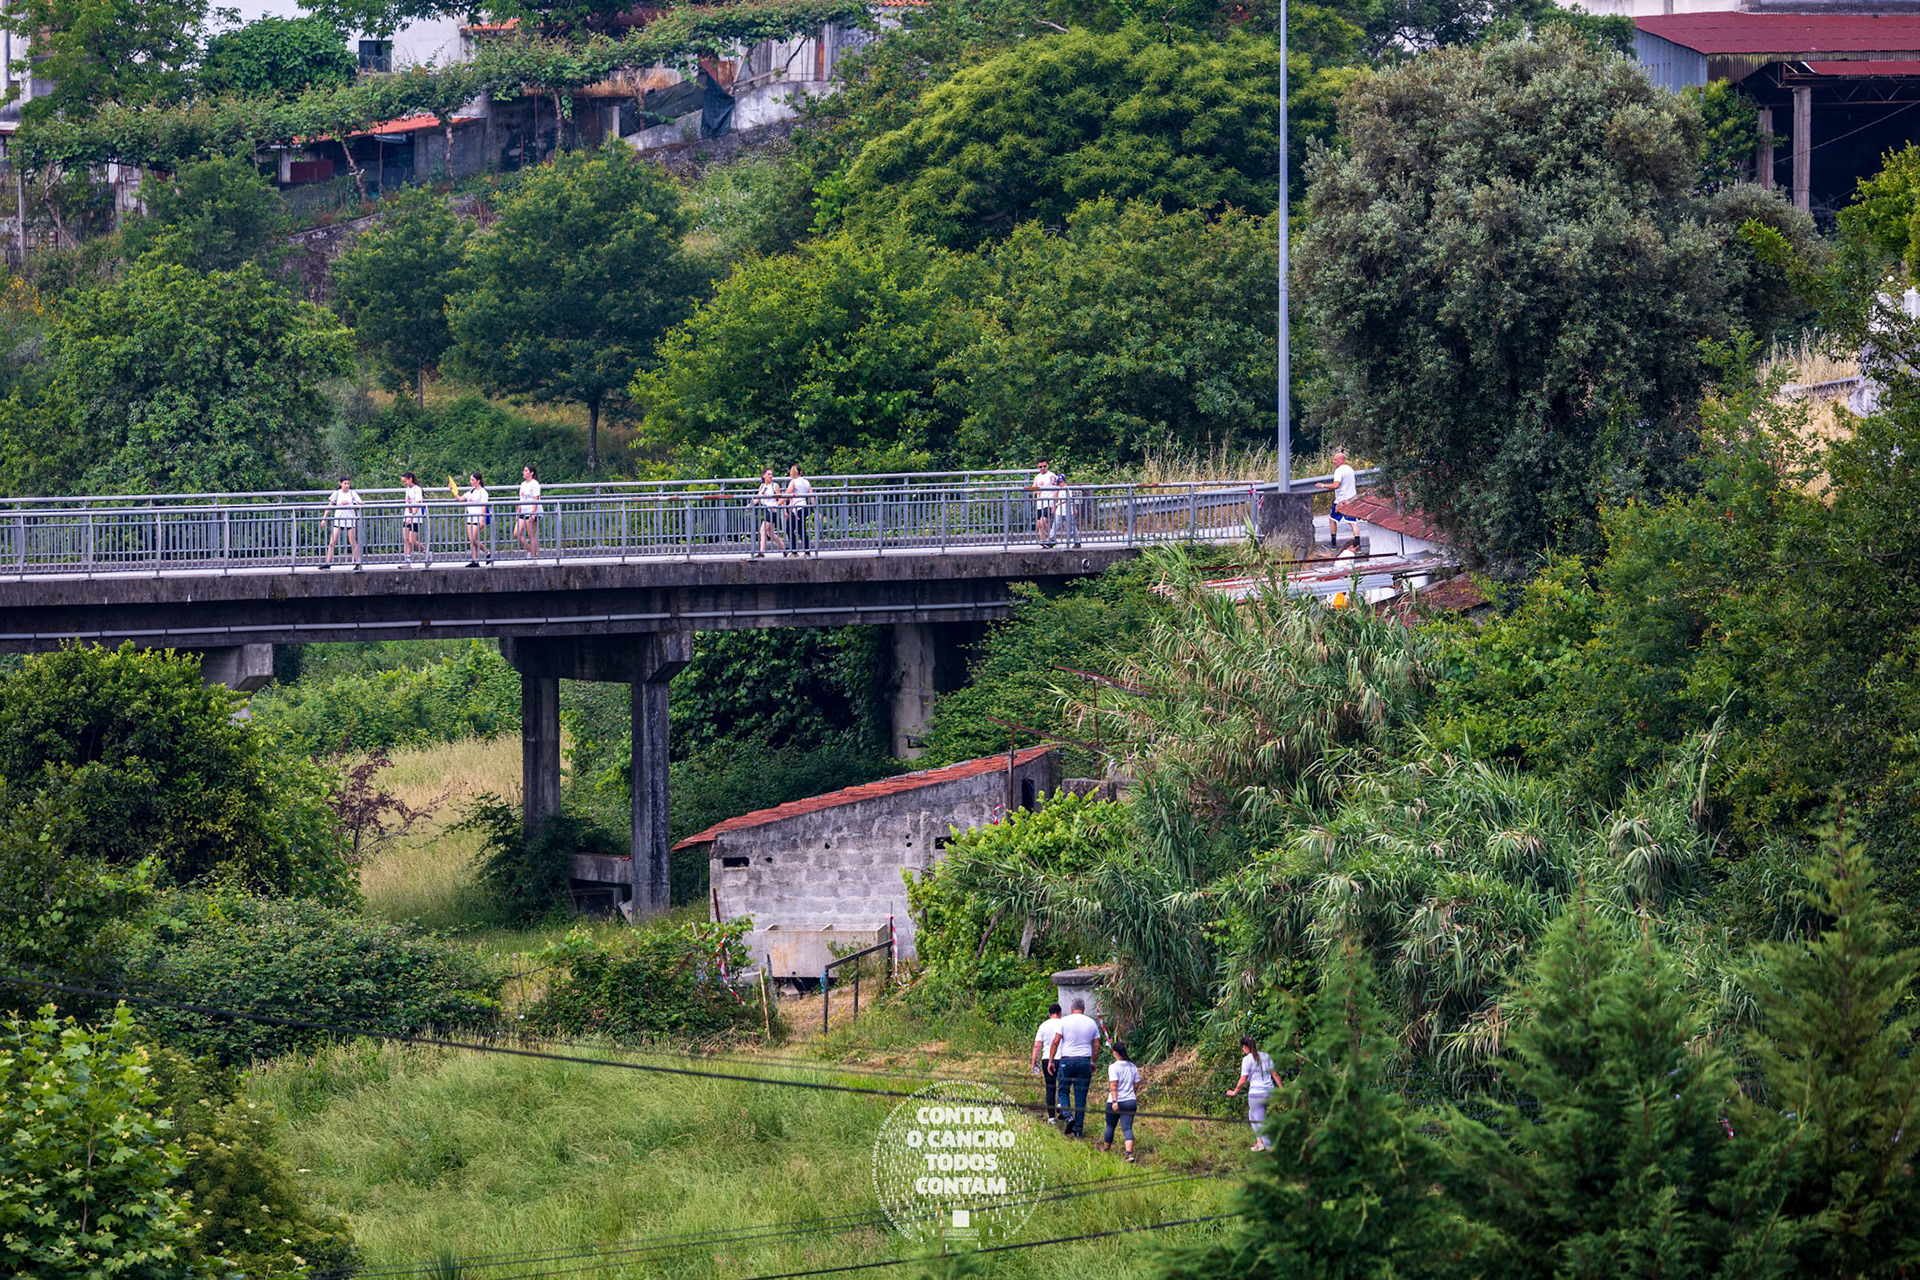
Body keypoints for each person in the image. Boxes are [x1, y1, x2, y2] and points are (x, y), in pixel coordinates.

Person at [1048, 998, 1102, 1138]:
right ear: (1083, 1009)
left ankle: (1068, 1116)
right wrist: (1093, 1062)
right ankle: (1078, 1130)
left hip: (1067, 1060)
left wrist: (1051, 1060)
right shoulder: (1091, 1023)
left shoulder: (1064, 1021)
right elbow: (1097, 1045)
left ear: (1071, 1009)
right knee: (1080, 1096)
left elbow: (1055, 1042)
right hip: (1084, 1061)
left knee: (1063, 1090)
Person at [1225, 1035, 1276, 1152]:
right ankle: (1259, 1143)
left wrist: (1234, 1092)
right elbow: (1275, 1074)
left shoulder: (1247, 1059)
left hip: (1256, 1093)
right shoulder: (1266, 1056)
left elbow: (1243, 1079)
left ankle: (1270, 1149)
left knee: (1259, 1121)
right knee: (1252, 1115)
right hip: (1269, 1091)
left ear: (1244, 1047)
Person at [1101, 1041, 1141, 1162]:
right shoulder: (1133, 1067)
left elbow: (1114, 1085)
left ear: (1114, 1053)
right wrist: (1131, 1094)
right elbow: (1136, 1084)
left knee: (1110, 1125)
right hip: (1130, 1101)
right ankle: (1129, 1153)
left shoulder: (1113, 1067)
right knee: (1127, 1128)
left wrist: (1115, 1101)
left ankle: (1106, 1149)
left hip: (1115, 1101)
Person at [1316, 450, 1359, 549]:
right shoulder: (1350, 469)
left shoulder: (1339, 471)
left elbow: (1336, 485)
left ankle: (1333, 544)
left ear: (1342, 460)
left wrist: (1322, 485)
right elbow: (1353, 483)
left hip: (1340, 500)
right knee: (1353, 523)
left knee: (1332, 519)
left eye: (1336, 460)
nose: (1333, 461)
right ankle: (1357, 545)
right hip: (1351, 500)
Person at [1031, 1003, 1065, 1123]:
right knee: (1063, 1085)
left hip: (1046, 1059)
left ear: (1049, 1013)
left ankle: (1051, 1117)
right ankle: (1061, 1105)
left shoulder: (1043, 1026)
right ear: (1060, 1013)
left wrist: (1034, 1061)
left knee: (1050, 1087)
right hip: (1062, 1058)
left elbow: (1037, 1045)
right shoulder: (1063, 1024)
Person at [450, 471, 491, 568]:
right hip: (470, 518)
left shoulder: (483, 492)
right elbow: (460, 499)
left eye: (473, 480)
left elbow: (484, 506)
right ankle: (475, 560)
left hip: (478, 518)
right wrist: (453, 491)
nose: (471, 481)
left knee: (474, 539)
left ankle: (487, 552)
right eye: (470, 480)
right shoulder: (471, 491)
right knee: (471, 541)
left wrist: (482, 519)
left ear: (478, 481)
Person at [324, 476, 363, 570]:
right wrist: (324, 518)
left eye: (348, 483)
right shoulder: (337, 493)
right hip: (339, 520)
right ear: (340, 484)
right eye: (345, 483)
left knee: (353, 542)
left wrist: (359, 503)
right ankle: (327, 563)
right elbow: (330, 505)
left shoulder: (352, 493)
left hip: (350, 520)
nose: (347, 485)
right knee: (332, 542)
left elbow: (360, 502)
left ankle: (358, 563)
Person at [751, 468, 785, 559]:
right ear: (764, 475)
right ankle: (785, 549)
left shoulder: (775, 486)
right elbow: (758, 498)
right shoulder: (762, 486)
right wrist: (750, 504)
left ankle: (761, 552)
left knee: (762, 530)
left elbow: (781, 498)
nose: (770, 476)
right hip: (766, 509)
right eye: (768, 474)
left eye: (771, 474)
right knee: (770, 534)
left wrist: (783, 510)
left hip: (772, 510)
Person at [783, 464, 813, 557]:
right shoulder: (806, 482)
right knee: (801, 530)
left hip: (797, 508)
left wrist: (778, 503)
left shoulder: (793, 482)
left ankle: (795, 551)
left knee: (790, 529)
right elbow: (812, 497)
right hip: (804, 507)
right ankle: (806, 551)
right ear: (801, 472)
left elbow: (787, 494)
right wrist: (815, 509)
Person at [400, 472, 429, 567]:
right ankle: (407, 561)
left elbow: (417, 503)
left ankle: (426, 552)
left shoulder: (417, 489)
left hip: (415, 517)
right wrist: (408, 516)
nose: (404, 483)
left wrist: (412, 516)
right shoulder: (407, 489)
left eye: (405, 481)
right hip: (407, 515)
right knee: (406, 539)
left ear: (410, 479)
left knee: (412, 540)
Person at [514, 465, 542, 559]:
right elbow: (521, 499)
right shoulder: (523, 484)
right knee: (516, 533)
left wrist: (533, 513)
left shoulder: (535, 484)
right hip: (523, 510)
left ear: (531, 473)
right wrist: (518, 512)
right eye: (524, 470)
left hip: (532, 510)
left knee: (531, 534)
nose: (524, 472)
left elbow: (536, 499)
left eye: (526, 471)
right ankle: (529, 550)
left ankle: (533, 556)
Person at [1030, 460, 1058, 546]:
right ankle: (1044, 541)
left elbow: (1056, 487)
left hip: (1048, 502)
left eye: (1044, 466)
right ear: (1038, 467)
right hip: (1040, 503)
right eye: (1040, 467)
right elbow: (1033, 488)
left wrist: (1054, 503)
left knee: (1043, 521)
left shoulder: (1051, 475)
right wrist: (1036, 491)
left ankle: (1051, 537)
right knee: (1039, 524)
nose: (1043, 468)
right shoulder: (1037, 477)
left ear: (1047, 465)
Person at [1050, 469, 1080, 548]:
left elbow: (1066, 499)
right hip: (1059, 511)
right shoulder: (1059, 490)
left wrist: (1057, 504)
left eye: (1059, 483)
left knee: (1072, 526)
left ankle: (1077, 541)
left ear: (1062, 481)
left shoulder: (1067, 489)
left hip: (1068, 511)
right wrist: (1056, 493)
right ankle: (1050, 540)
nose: (1058, 485)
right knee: (1055, 526)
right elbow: (1056, 498)